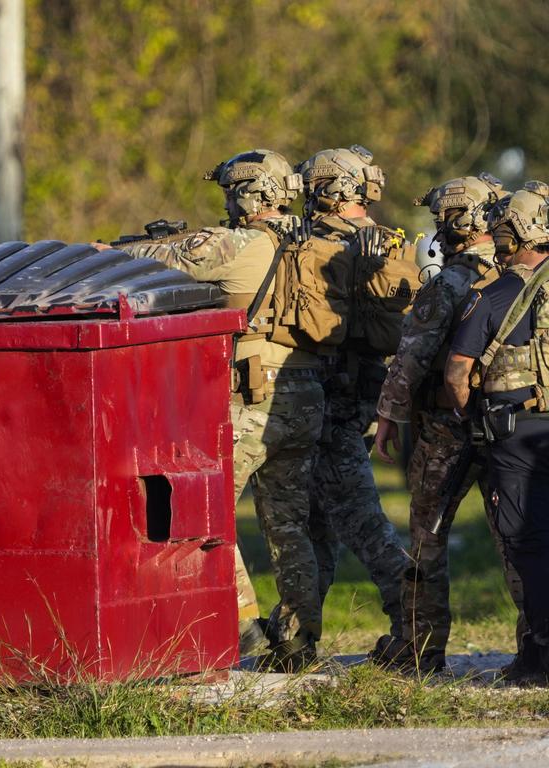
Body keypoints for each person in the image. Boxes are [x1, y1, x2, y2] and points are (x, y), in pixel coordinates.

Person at [100, 149, 326, 669]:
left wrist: (110, 249)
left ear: (251, 193)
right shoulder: (312, 241)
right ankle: (299, 639)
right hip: (307, 390)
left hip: (253, 395)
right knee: (289, 525)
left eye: (232, 191)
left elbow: (154, 260)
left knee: (211, 513)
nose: (227, 201)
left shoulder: (240, 242)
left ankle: (243, 624)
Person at [371, 174, 528, 675]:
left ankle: (419, 649)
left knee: (427, 536)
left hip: (448, 426)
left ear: (451, 221)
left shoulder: (450, 282)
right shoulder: (520, 279)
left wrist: (389, 415)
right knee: (516, 536)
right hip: (509, 424)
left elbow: (412, 357)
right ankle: (534, 644)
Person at [293, 146, 410, 643]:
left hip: (330, 398)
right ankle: (296, 635)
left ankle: (415, 622)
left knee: (357, 517)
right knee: (314, 519)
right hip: (359, 391)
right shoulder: (387, 242)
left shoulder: (320, 244)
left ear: (326, 189)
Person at [445, 183, 549, 684]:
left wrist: (474, 423)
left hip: (515, 435)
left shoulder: (495, 292)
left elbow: (457, 372)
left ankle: (541, 653)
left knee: (525, 541)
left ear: (512, 233)